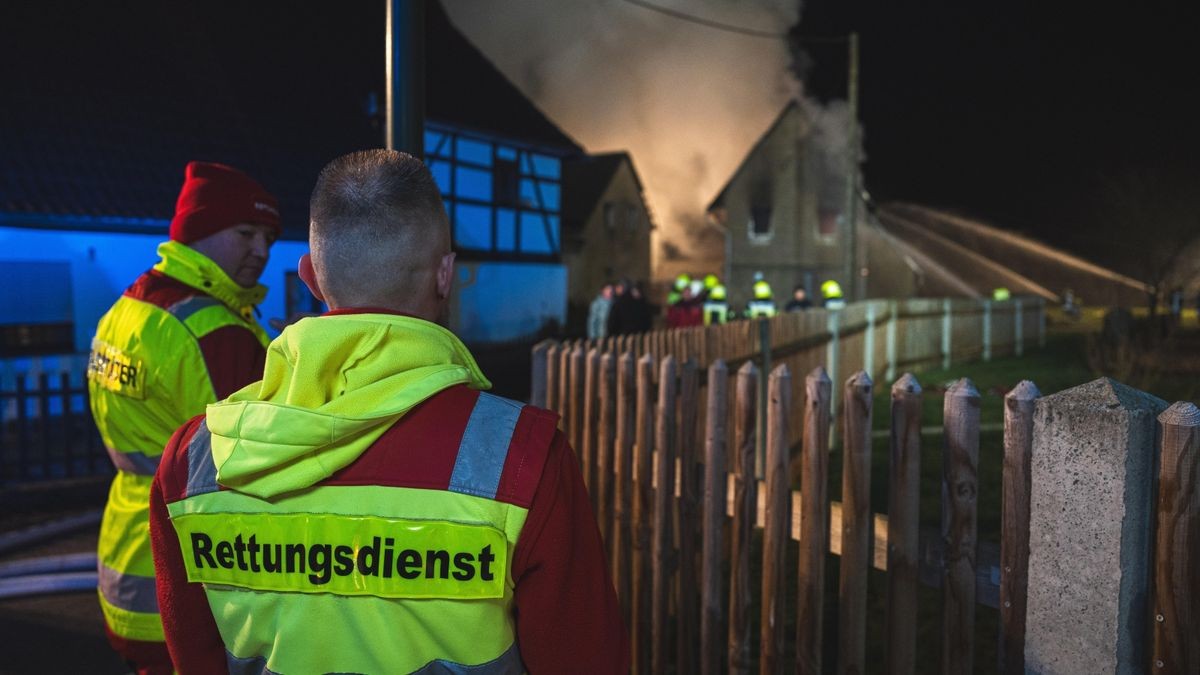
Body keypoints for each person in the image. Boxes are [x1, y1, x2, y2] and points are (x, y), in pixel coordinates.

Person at [149, 149, 628, 673]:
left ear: (310, 276)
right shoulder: (523, 458)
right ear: (445, 275)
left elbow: (197, 658)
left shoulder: (194, 460)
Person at [87, 161, 280, 674]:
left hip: (126, 553)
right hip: (186, 579)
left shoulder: (129, 308)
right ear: (200, 232)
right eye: (246, 233)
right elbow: (264, 463)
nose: (261, 251)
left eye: (268, 236)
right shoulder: (216, 333)